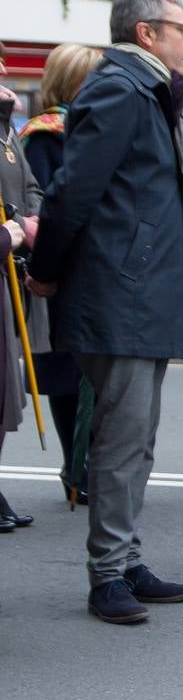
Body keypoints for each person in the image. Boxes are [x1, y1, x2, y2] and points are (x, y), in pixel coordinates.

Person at [26, 0, 183, 623]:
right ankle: (108, 574)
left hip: (140, 288)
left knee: (138, 438)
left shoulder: (149, 90)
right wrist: (45, 273)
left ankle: (125, 559)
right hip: (120, 290)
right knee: (121, 441)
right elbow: (71, 192)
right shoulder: (117, 89)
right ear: (148, 33)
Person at [19, 42, 103, 507]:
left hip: (98, 268)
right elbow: (47, 201)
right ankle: (77, 466)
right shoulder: (47, 134)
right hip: (60, 268)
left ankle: (91, 463)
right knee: (69, 374)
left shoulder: (99, 126)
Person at [0, 46, 36, 531]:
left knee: (5, 390)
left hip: (9, 270)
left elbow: (29, 185)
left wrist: (28, 221)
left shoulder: (6, 127)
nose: (4, 71)